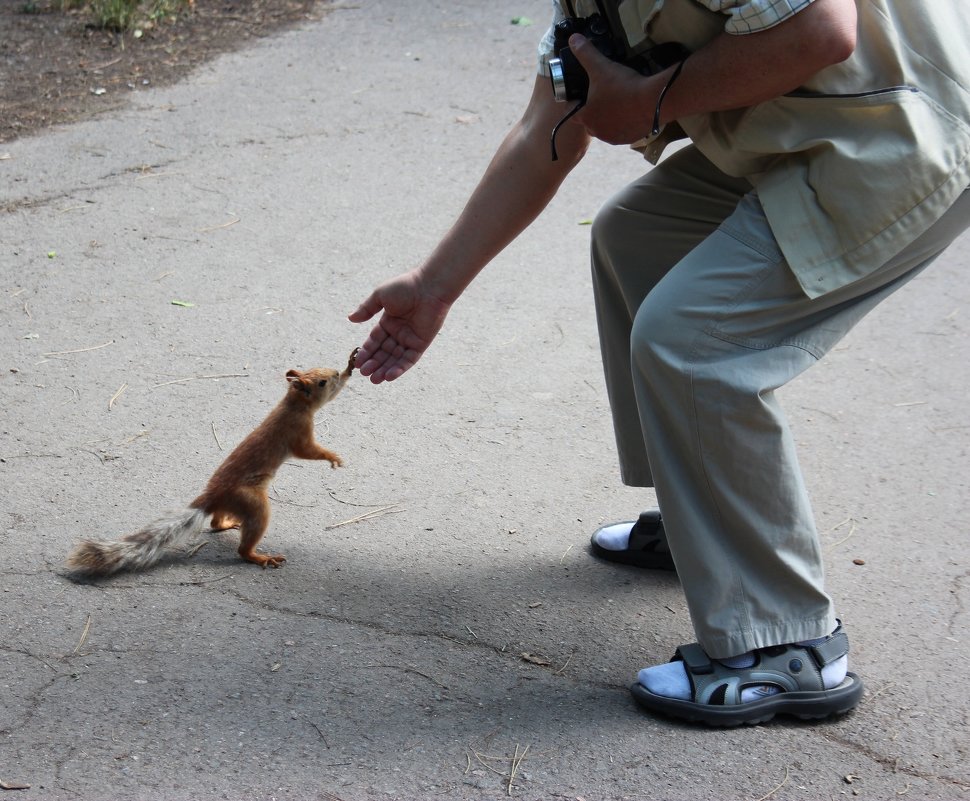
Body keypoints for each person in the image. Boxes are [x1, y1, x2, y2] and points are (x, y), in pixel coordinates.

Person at [349, 0, 970, 726]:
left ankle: (787, 645)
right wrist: (434, 287)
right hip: (806, 126)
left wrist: (653, 100)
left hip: (904, 133)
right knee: (635, 236)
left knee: (692, 340)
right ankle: (701, 522)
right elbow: (544, 129)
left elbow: (822, 28)